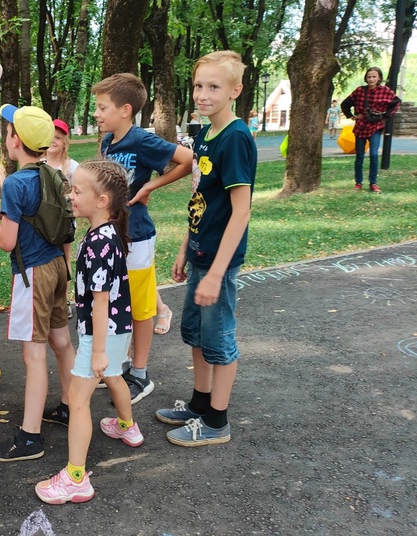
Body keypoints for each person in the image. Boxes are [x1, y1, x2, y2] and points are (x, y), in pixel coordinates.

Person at [156, 50, 257, 447]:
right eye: (199, 85)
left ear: (235, 90)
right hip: (200, 252)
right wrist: (185, 246)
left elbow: (241, 210)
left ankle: (217, 421)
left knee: (219, 340)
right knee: (197, 334)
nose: (202, 94)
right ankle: (200, 403)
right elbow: (201, 199)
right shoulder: (204, 134)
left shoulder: (235, 138)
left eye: (213, 86)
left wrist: (217, 272)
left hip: (220, 261)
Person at [35, 159, 141, 505]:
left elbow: (100, 301)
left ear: (103, 201)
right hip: (117, 328)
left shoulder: (98, 242)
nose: (70, 195)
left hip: (103, 332)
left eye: (77, 190)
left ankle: (75, 478)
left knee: (78, 401)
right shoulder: (109, 232)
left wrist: (96, 349)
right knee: (113, 377)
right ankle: (127, 426)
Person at [0, 104, 76, 461]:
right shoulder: (54, 174)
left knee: (33, 354)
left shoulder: (17, 183)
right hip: (57, 265)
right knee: (61, 340)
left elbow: (6, 241)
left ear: (13, 140)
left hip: (32, 273)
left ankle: (29, 437)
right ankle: (69, 406)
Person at [94, 73, 193, 404]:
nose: (96, 113)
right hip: (112, 235)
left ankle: (140, 374)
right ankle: (120, 368)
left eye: (102, 107)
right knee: (116, 304)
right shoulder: (108, 142)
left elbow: (186, 160)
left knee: (140, 308)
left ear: (124, 110)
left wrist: (150, 186)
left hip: (137, 236)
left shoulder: (141, 140)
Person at [340, 67, 400, 193]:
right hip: (361, 126)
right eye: (369, 77)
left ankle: (373, 183)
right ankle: (358, 183)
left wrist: (385, 116)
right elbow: (345, 104)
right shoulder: (360, 91)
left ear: (379, 78)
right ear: (366, 78)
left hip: (376, 126)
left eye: (374, 76)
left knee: (373, 154)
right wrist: (351, 116)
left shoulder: (385, 91)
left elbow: (396, 102)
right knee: (360, 156)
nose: (371, 79)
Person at [44, 118, 79, 318]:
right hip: (42, 224)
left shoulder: (72, 167)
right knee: (46, 261)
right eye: (51, 137)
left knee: (64, 260)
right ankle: (47, 299)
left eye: (58, 138)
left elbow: (79, 192)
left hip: (64, 223)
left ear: (65, 142)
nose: (54, 141)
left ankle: (64, 300)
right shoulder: (38, 163)